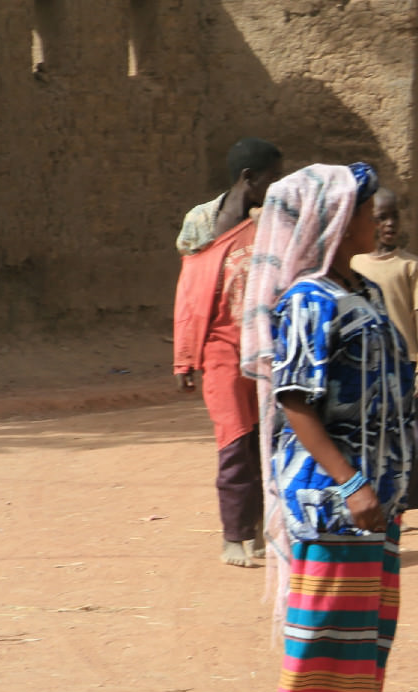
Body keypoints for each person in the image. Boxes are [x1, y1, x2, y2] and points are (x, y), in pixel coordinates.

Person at [241, 162, 418, 692]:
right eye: (369, 210)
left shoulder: (362, 291)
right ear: (338, 222)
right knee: (324, 627)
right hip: (333, 497)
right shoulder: (308, 301)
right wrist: (351, 483)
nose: (379, 219)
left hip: (377, 497)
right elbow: (296, 403)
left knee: (370, 627)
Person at [172, 137, 283, 567]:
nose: (279, 187)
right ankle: (233, 537)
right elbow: (191, 293)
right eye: (273, 178)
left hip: (267, 349)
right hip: (219, 350)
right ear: (249, 179)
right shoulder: (200, 223)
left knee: (267, 443)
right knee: (234, 443)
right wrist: (185, 356)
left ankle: (259, 532)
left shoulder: (274, 225)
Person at [351, 187, 418, 510]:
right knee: (371, 437)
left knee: (408, 439)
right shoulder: (355, 264)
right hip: (367, 367)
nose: (389, 224)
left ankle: (402, 500)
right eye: (380, 218)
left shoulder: (410, 265)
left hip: (404, 368)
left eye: (394, 217)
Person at [176, 137, 282, 256]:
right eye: (273, 178)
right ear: (249, 176)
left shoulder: (275, 218)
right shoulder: (199, 220)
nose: (278, 186)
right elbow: (193, 269)